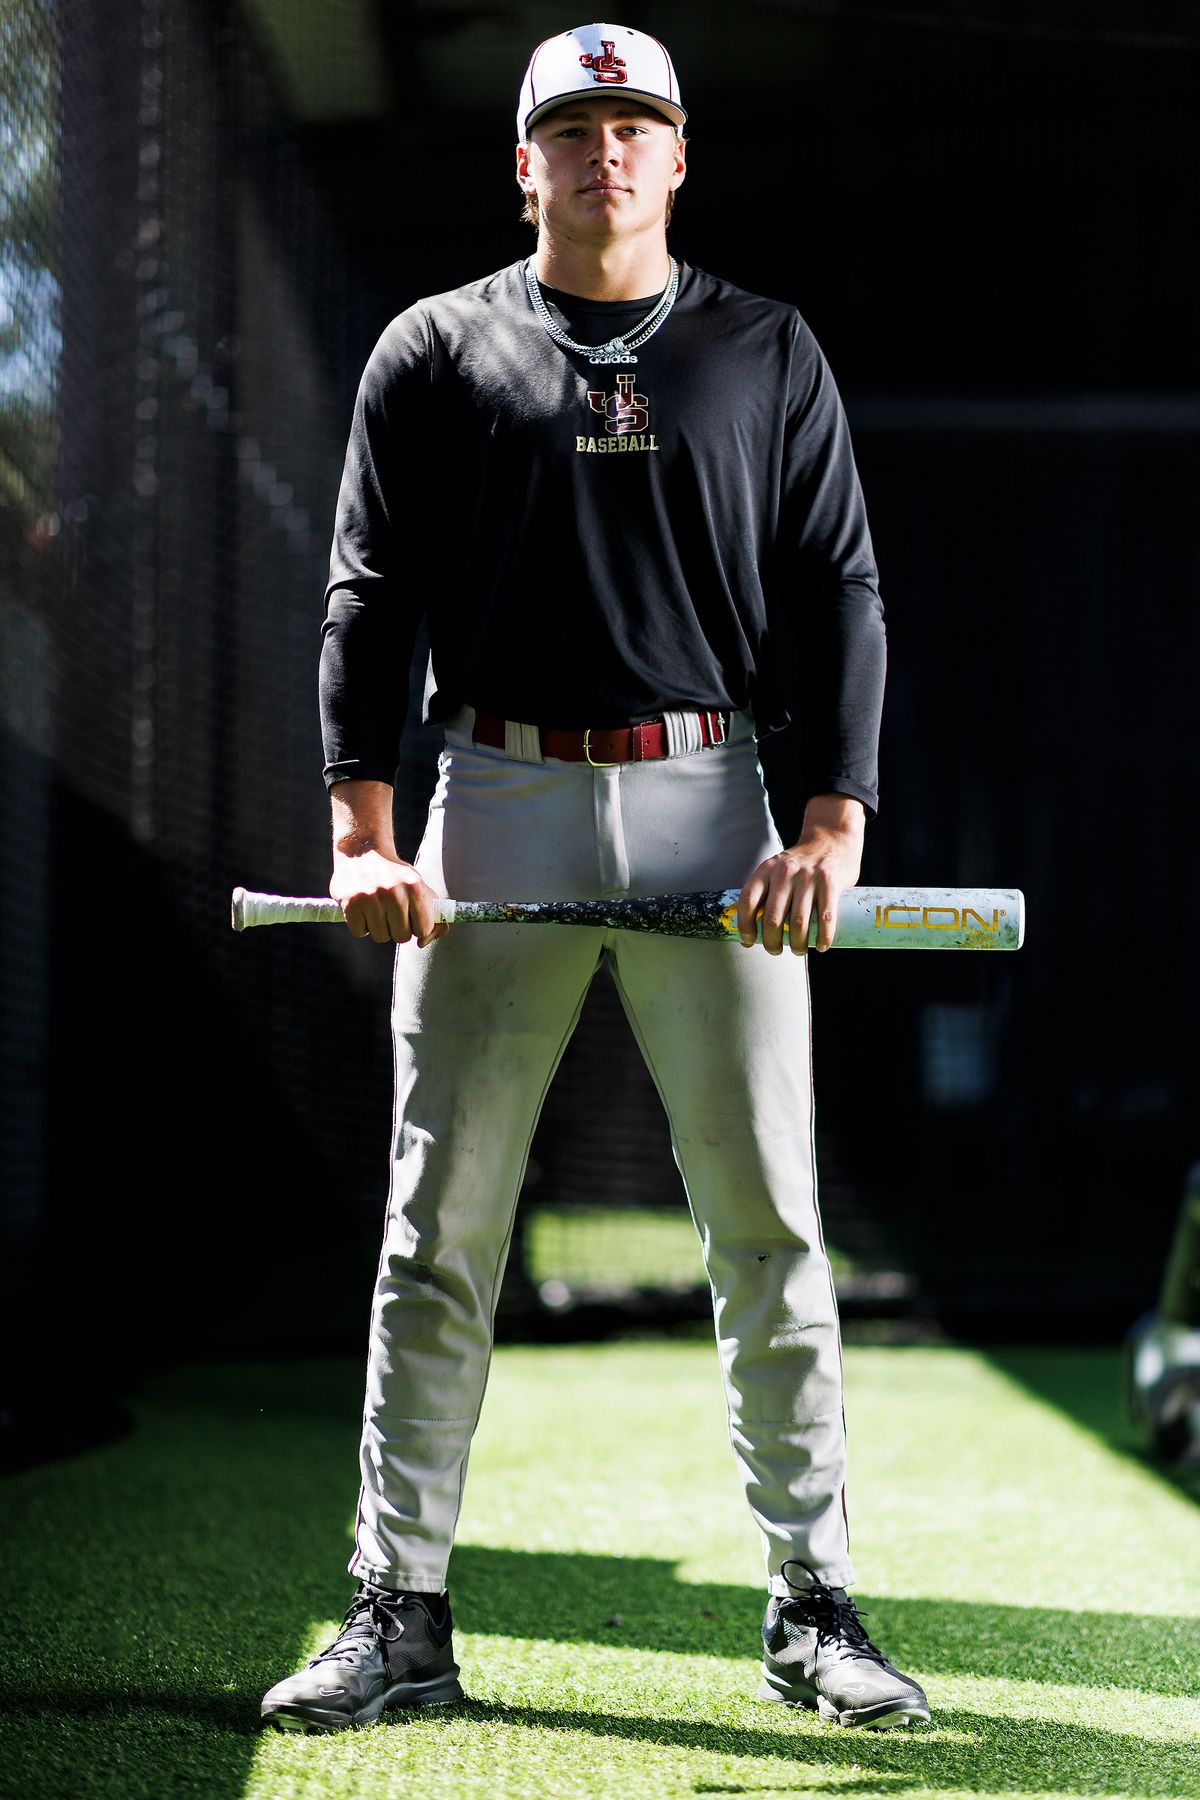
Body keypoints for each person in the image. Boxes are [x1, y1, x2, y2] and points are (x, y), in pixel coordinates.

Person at [260, 21, 930, 1735]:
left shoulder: (766, 350)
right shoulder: (434, 349)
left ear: (682, 156)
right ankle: (396, 1610)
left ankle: (813, 1607)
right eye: (573, 125)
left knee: (771, 1225)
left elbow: (840, 587)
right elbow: (365, 595)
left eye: (635, 123)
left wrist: (833, 822)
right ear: (526, 162)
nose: (606, 151)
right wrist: (359, 828)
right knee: (440, 1227)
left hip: (719, 800)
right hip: (491, 793)